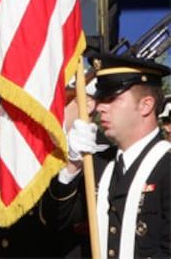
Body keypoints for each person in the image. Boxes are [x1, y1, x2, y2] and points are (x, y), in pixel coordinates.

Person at [41, 52, 171, 258]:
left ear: (145, 105)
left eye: (112, 98)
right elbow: (56, 222)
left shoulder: (166, 167)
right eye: (101, 99)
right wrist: (73, 165)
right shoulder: (99, 166)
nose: (100, 107)